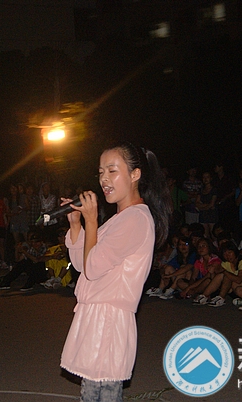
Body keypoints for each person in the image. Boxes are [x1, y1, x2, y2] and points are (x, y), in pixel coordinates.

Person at [60, 142, 169, 401]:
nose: (104, 180)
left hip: (109, 320)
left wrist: (92, 220)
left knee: (102, 394)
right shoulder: (121, 219)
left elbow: (92, 266)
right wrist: (76, 226)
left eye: (112, 171)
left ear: (135, 174)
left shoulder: (136, 219)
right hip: (97, 316)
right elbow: (82, 265)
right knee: (92, 393)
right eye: (100, 172)